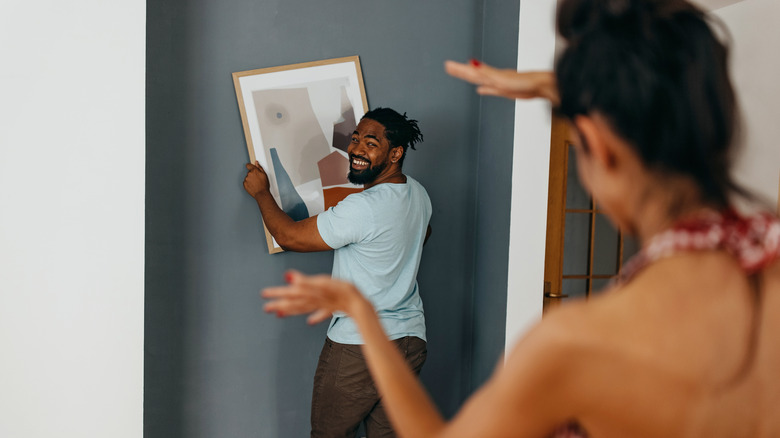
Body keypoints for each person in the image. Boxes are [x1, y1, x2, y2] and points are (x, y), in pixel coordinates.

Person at [261, 1, 780, 437]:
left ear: (596, 145)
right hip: (413, 335)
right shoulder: (769, 257)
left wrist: (359, 310)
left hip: (373, 339)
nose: (356, 145)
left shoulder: (575, 343)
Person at [244, 107, 432, 437]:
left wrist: (261, 192)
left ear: (395, 153)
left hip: (360, 348)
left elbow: (288, 236)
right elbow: (422, 234)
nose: (357, 149)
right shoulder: (417, 193)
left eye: (371, 143)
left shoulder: (363, 209)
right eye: (355, 138)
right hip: (409, 342)